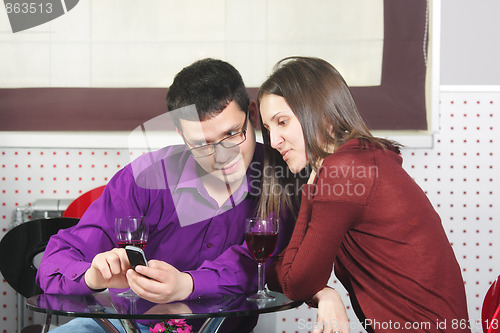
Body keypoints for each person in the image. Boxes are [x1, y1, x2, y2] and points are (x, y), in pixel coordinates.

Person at [36, 58, 296, 332]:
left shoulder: (280, 177)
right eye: (201, 144)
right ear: (181, 135)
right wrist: (93, 275)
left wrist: (186, 284)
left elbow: (258, 267)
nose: (222, 157)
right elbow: (54, 262)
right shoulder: (144, 177)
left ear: (252, 115)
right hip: (126, 326)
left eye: (231, 134)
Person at [258, 56, 471, 333]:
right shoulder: (362, 159)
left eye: (282, 122)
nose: (273, 141)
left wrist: (311, 188)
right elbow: (279, 269)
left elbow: (296, 282)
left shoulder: (344, 171)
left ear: (322, 114)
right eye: (268, 128)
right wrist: (326, 294)